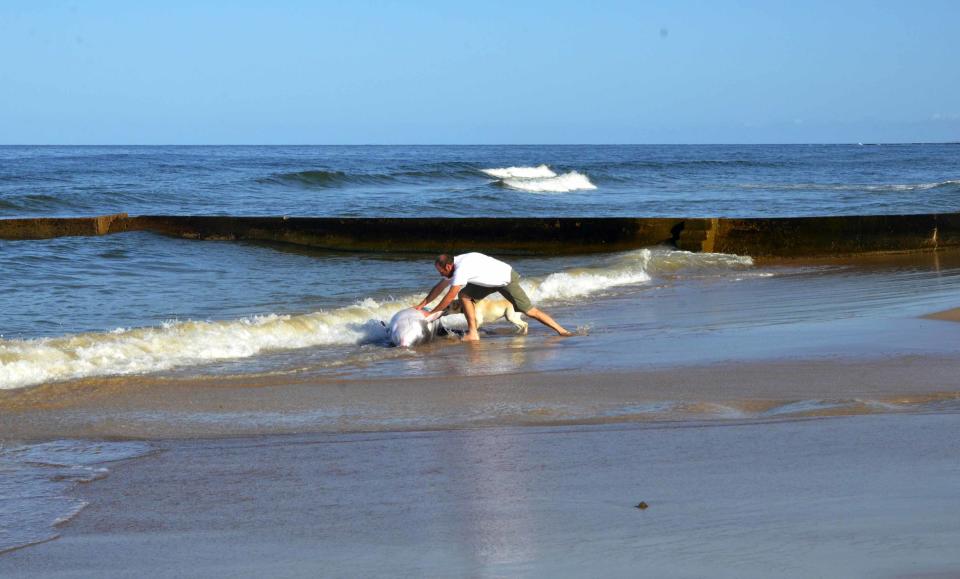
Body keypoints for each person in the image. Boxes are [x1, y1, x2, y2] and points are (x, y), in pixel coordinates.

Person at [414, 252, 573, 341]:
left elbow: (449, 297)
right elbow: (439, 287)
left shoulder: (461, 269)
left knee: (529, 311)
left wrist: (431, 313)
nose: (440, 274)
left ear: (448, 266)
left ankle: (562, 330)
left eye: (440, 271)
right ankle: (473, 333)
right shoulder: (453, 265)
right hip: (488, 282)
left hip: (505, 278)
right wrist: (421, 305)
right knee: (465, 295)